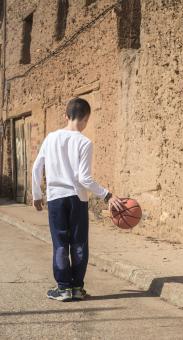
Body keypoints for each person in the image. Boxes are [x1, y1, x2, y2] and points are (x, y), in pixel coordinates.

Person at [31, 97, 124, 302]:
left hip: (56, 198)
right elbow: (84, 178)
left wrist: (37, 194)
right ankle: (77, 288)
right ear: (86, 118)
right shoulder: (85, 142)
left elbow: (37, 167)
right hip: (77, 198)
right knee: (79, 243)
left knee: (60, 243)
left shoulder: (51, 138)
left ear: (66, 116)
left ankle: (63, 288)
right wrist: (107, 194)